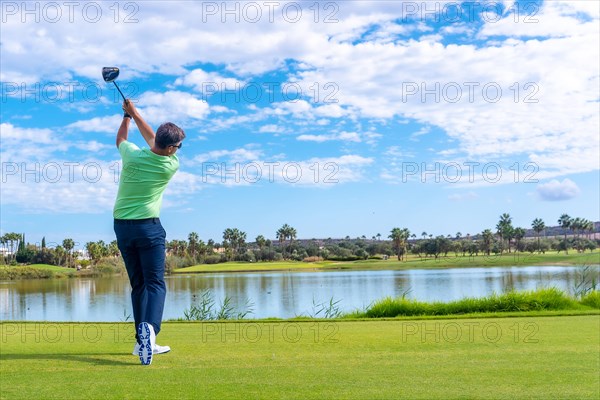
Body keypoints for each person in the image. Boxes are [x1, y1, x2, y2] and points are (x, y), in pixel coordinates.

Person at [113, 99, 185, 365]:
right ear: (170, 149)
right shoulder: (170, 165)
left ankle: (139, 341)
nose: (178, 150)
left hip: (121, 226)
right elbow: (154, 139)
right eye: (177, 146)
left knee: (138, 285)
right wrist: (133, 113)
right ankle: (150, 334)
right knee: (155, 284)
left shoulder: (131, 154)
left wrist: (128, 117)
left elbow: (122, 138)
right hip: (149, 228)